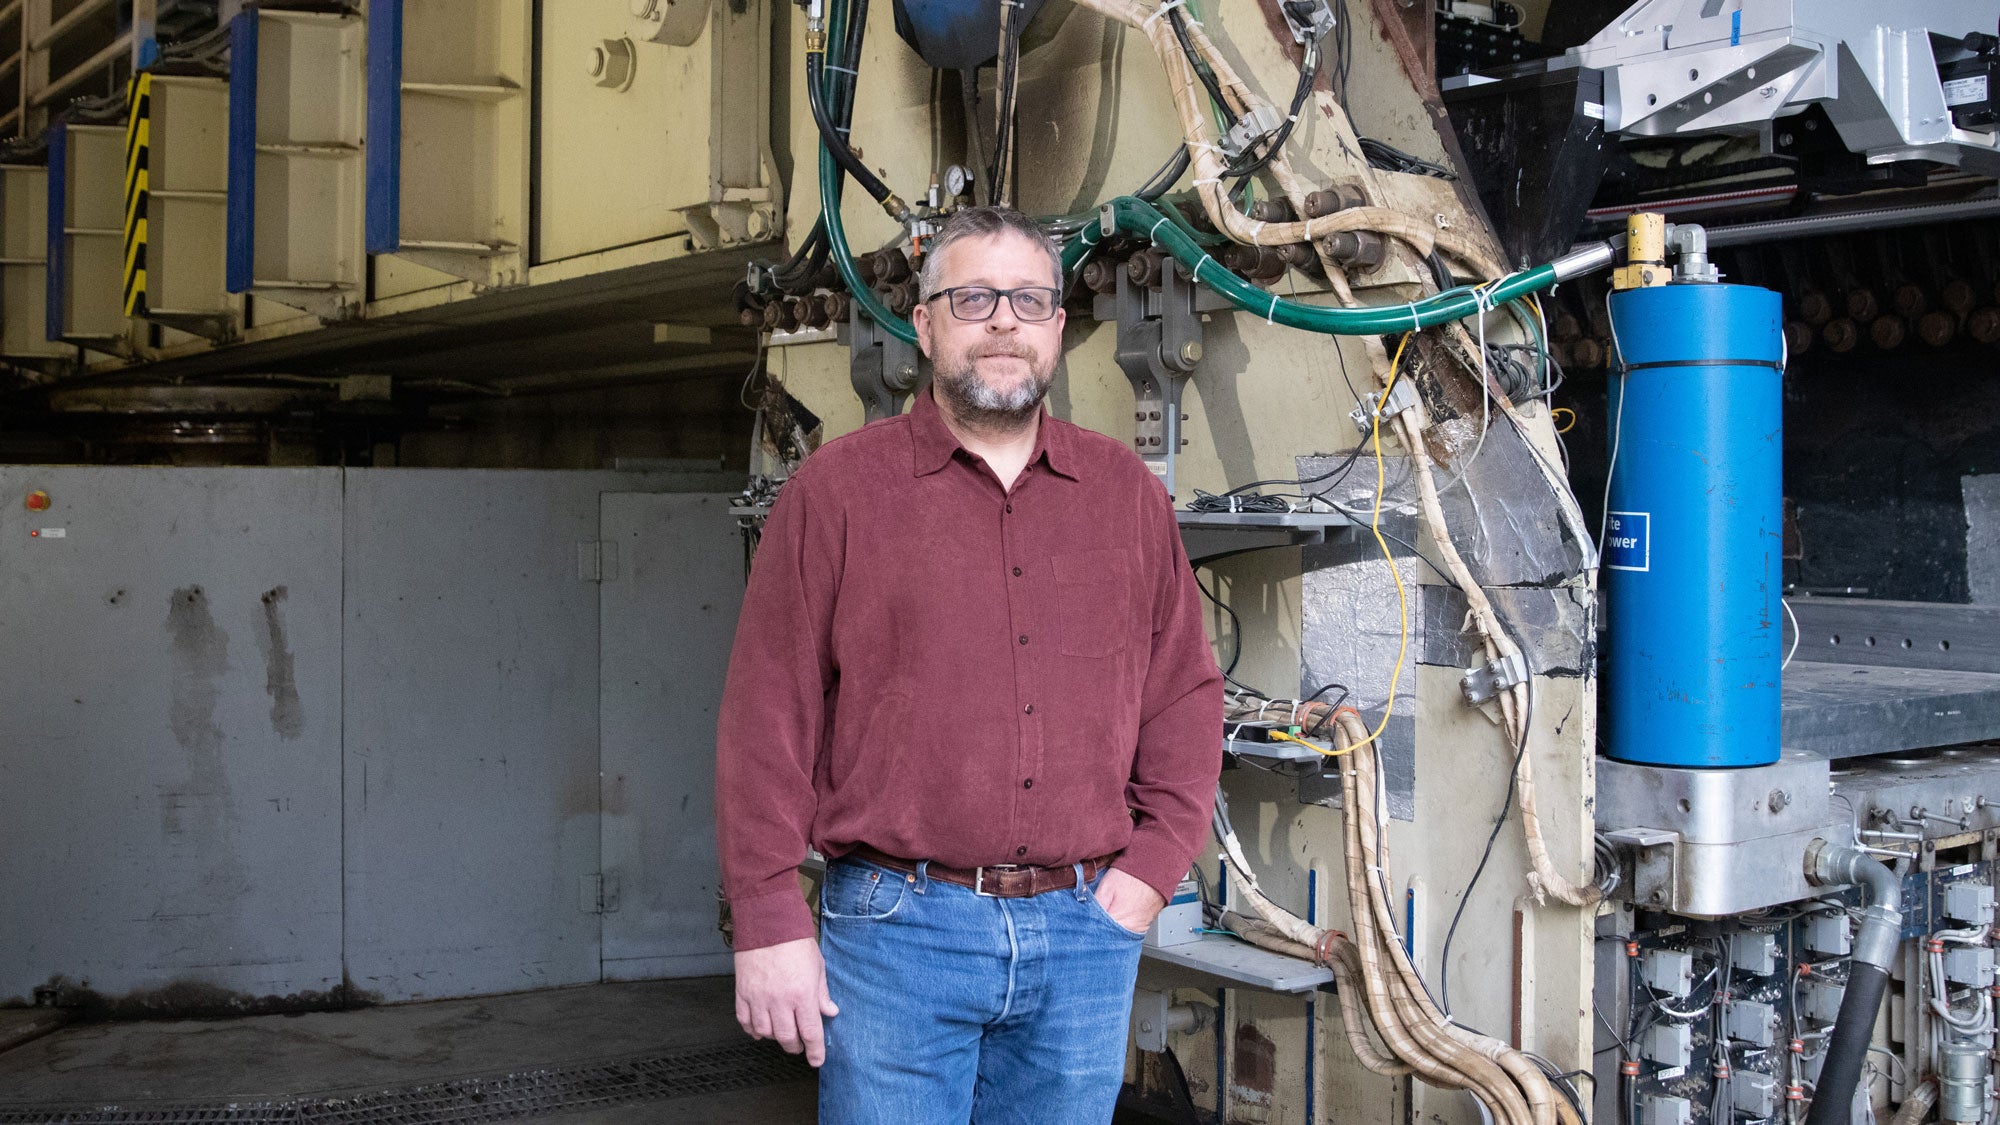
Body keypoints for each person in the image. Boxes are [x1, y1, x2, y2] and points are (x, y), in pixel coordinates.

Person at [715, 205, 1223, 1123]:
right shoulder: (835, 493)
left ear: (1059, 327)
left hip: (1084, 931)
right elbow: (768, 714)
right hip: (896, 931)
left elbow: (1184, 691)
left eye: (1029, 300)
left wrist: (1152, 868)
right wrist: (766, 915)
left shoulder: (1125, 496)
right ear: (924, 320)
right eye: (974, 296)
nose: (1003, 322)